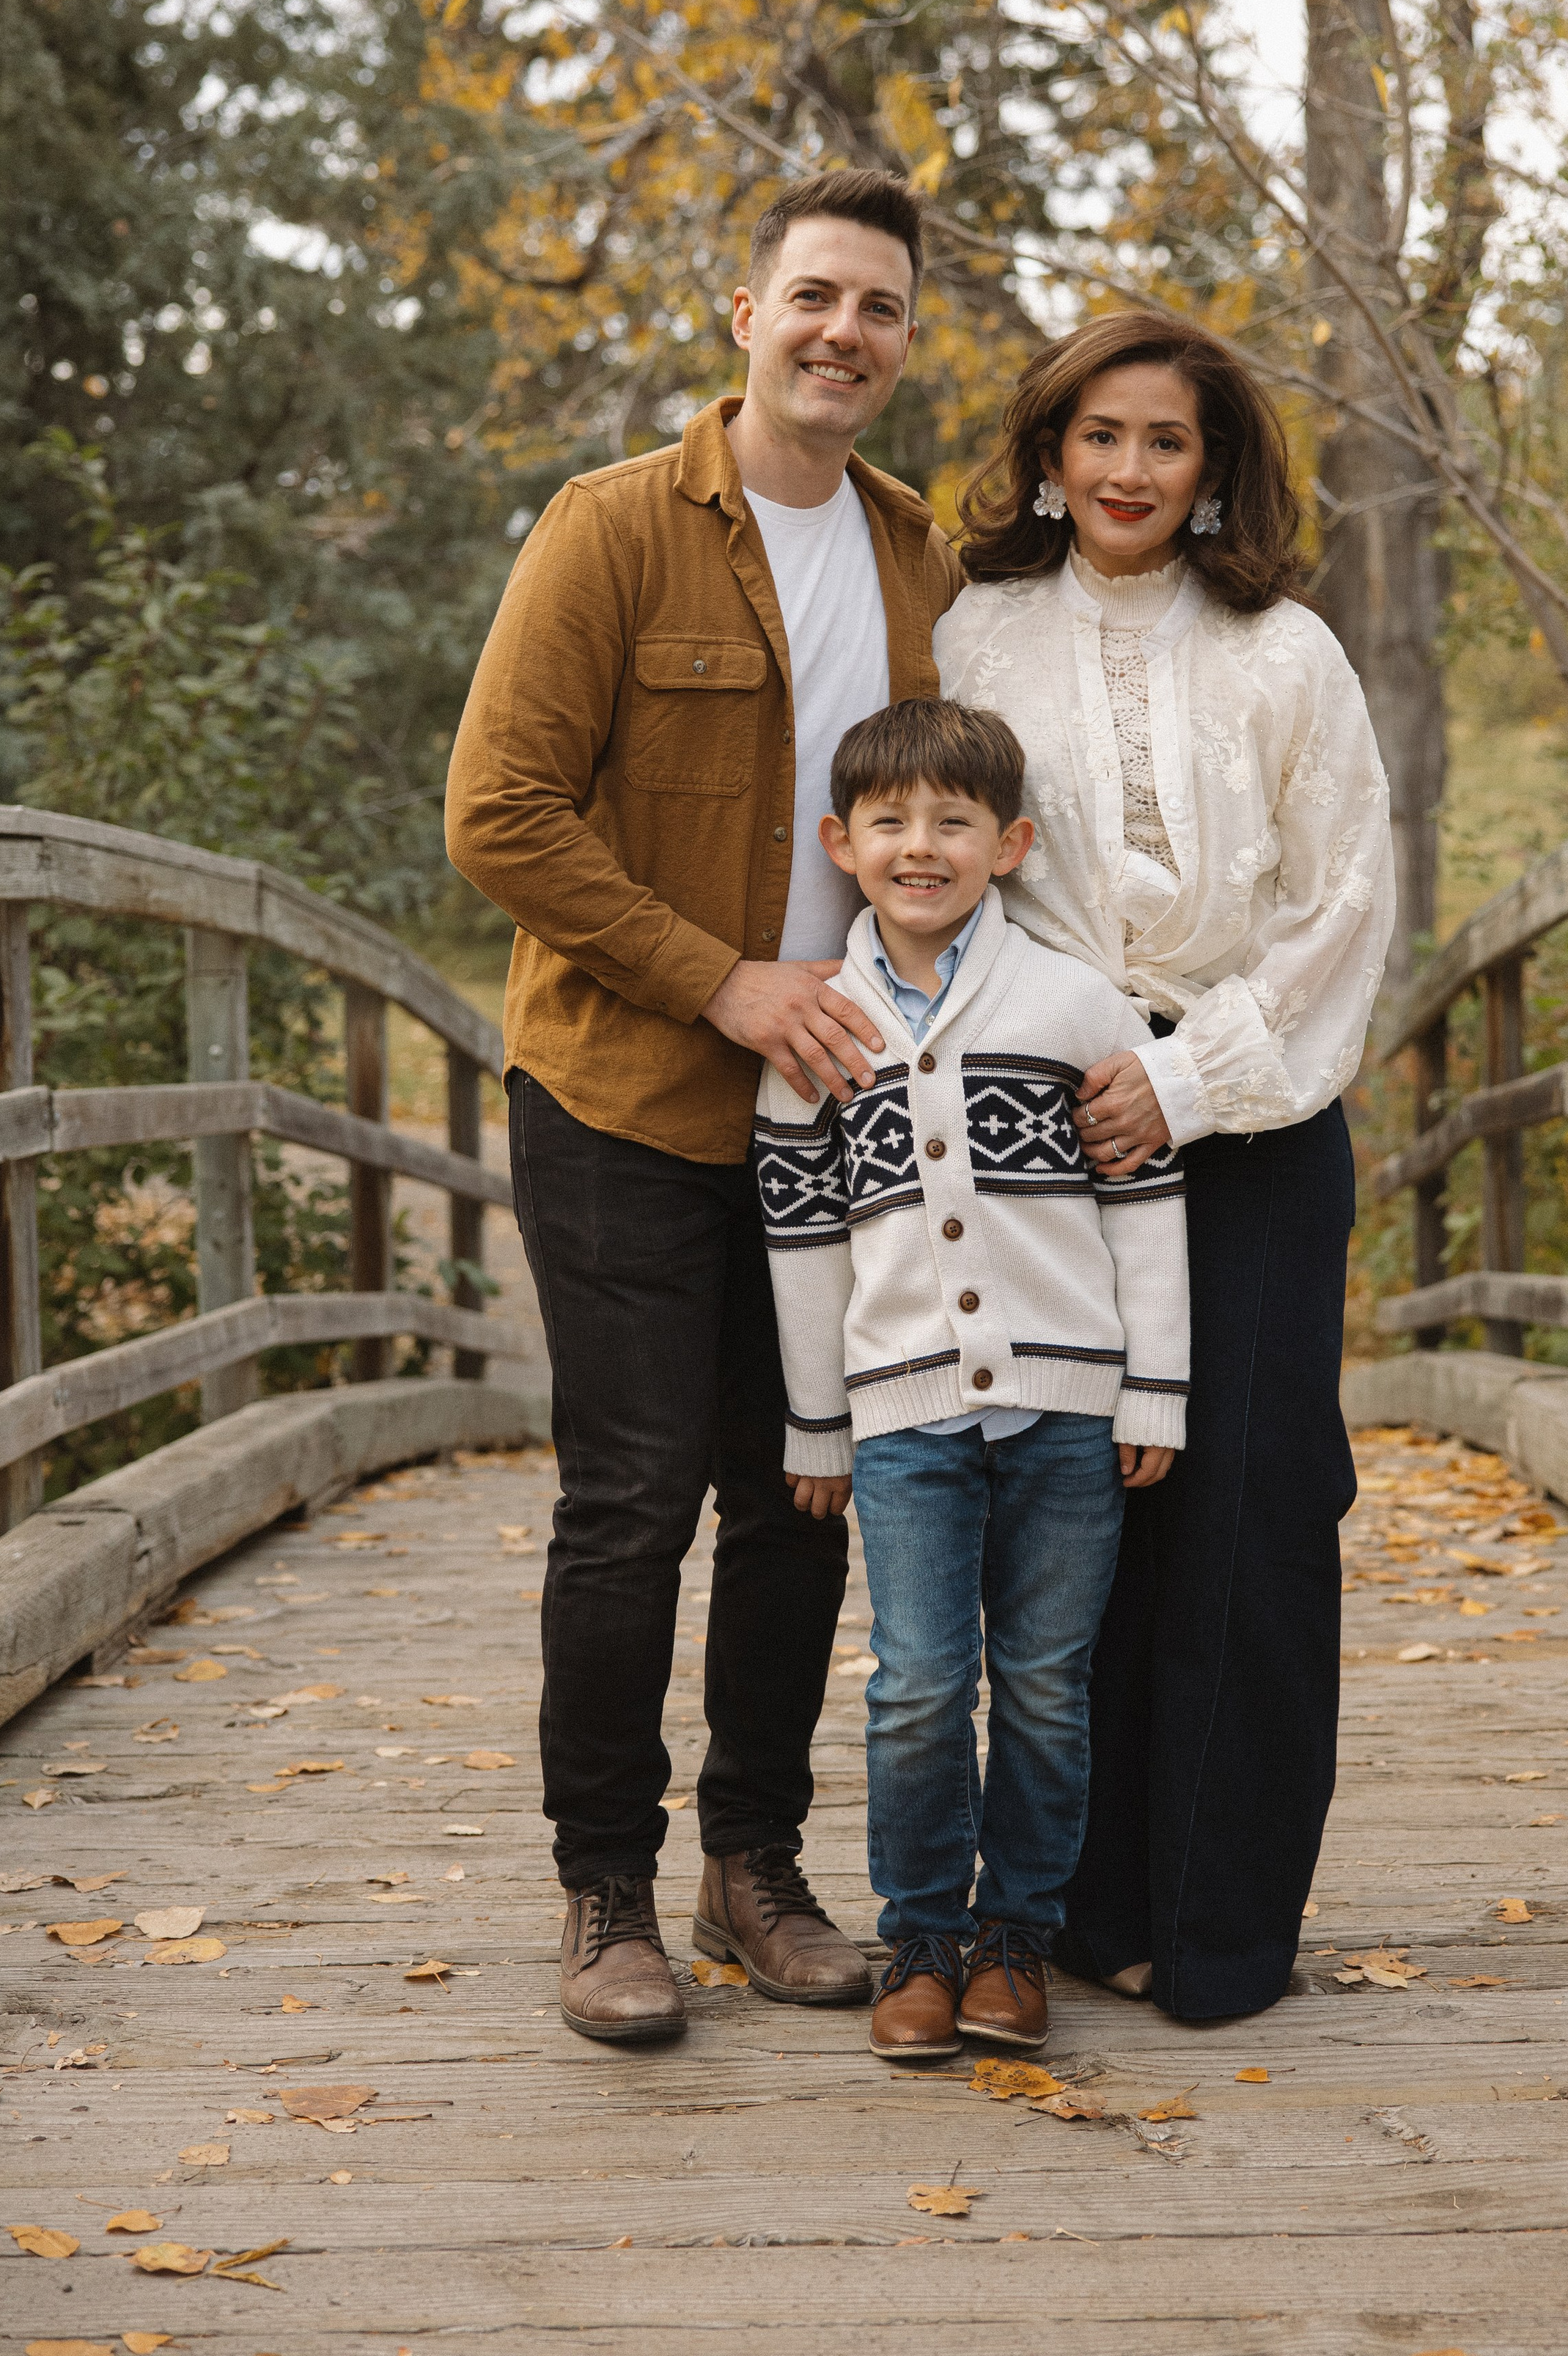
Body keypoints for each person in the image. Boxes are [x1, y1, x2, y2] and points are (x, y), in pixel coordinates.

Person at [443, 168, 960, 2044]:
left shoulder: (921, 561)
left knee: (800, 1492)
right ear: (742, 314)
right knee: (633, 1498)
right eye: (813, 295)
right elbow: (498, 815)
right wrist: (722, 977)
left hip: (837, 1119)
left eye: (881, 309)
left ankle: (755, 1869)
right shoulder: (609, 531)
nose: (843, 334)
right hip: (627, 1096)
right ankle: (605, 1891)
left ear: (905, 345)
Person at [933, 311, 1394, 2024]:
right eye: (1098, 436)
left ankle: (1217, 1928)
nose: (1128, 470)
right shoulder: (971, 636)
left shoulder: (1287, 654)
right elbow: (930, 865)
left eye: (1166, 442)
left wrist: (1186, 1082)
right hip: (1036, 1131)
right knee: (1074, 1519)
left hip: (1252, 1123)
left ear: (1213, 474)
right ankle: (1070, 1906)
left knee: (1254, 1512)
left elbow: (1342, 911)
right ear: (1048, 455)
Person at [757, 697, 1190, 2060]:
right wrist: (817, 1425)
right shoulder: (819, 1030)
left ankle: (1020, 1936)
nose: (921, 847)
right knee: (920, 1682)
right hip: (904, 1419)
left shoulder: (1072, 1003)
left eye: (954, 822)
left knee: (1051, 1682)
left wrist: (1156, 1388)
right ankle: (923, 1937)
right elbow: (802, 1239)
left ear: (1012, 845)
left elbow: (1147, 1196)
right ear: (842, 842)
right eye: (890, 823)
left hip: (1069, 1409)